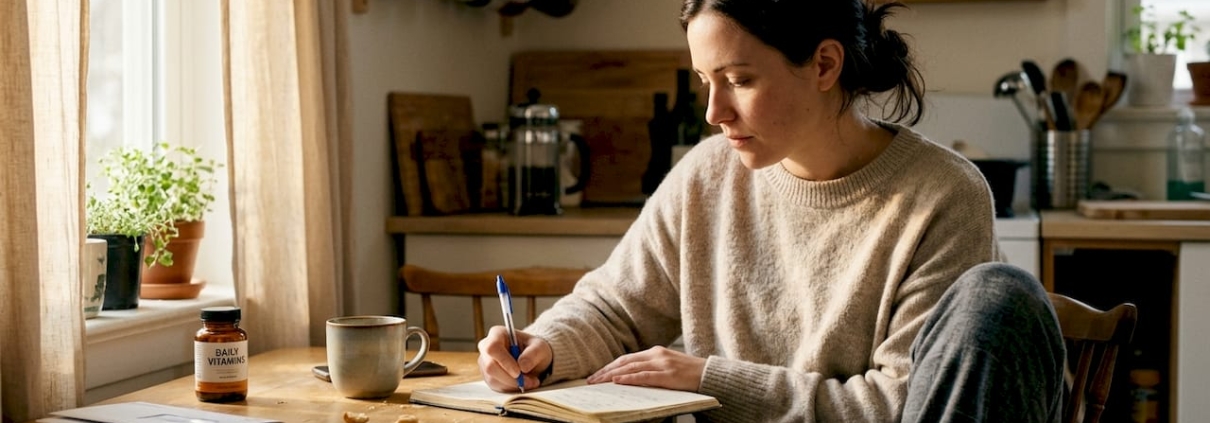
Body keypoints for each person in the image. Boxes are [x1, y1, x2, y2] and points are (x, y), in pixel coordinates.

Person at [478, 1, 1067, 421]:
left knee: (1000, 291)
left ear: (825, 66)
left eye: (738, 79)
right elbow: (613, 307)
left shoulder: (943, 196)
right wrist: (545, 345)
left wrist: (711, 379)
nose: (714, 111)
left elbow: (899, 407)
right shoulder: (706, 175)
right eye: (705, 80)